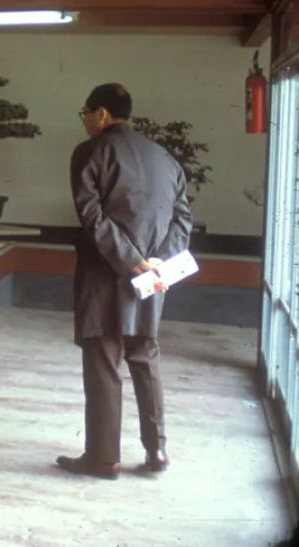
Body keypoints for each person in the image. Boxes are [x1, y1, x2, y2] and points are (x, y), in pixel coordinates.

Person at [57, 83, 192, 480]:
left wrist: (131, 262)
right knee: (145, 357)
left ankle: (103, 458)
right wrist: (157, 265)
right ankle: (158, 451)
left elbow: (92, 216)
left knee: (103, 364)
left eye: (84, 112)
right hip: (153, 279)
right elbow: (183, 218)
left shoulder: (89, 152)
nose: (83, 120)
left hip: (104, 275)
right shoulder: (165, 158)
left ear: (101, 115)